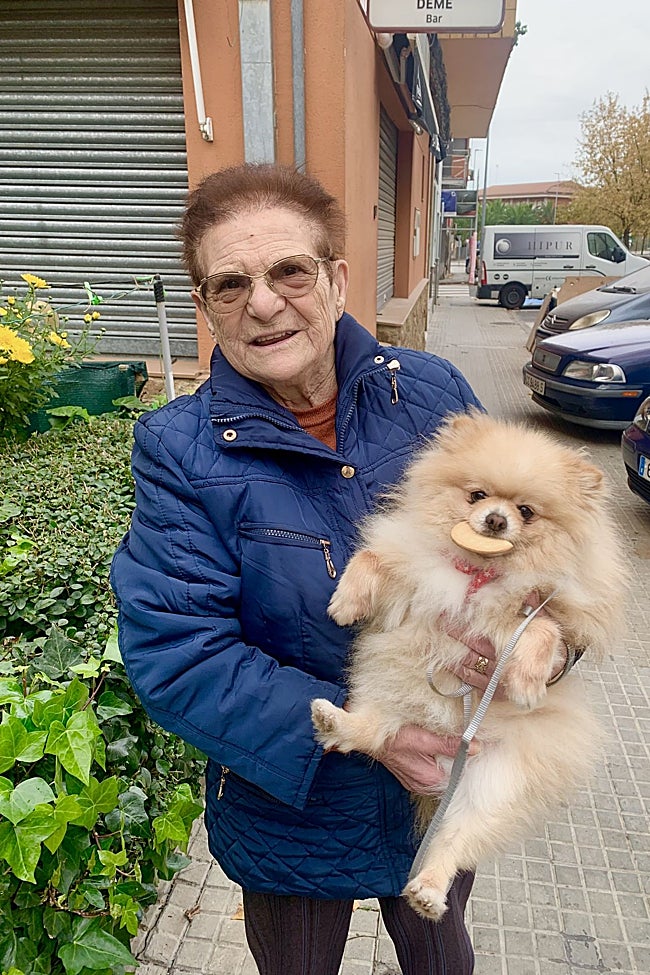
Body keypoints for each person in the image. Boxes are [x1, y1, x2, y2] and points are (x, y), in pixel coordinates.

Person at [110, 163, 564, 975]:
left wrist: (546, 647)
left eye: (290, 270)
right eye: (229, 284)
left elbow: (544, 546)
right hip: (294, 810)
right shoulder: (178, 450)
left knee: (441, 958)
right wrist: (377, 735)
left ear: (337, 278)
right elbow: (178, 653)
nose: (262, 302)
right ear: (205, 306)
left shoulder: (431, 394)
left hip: (439, 793)